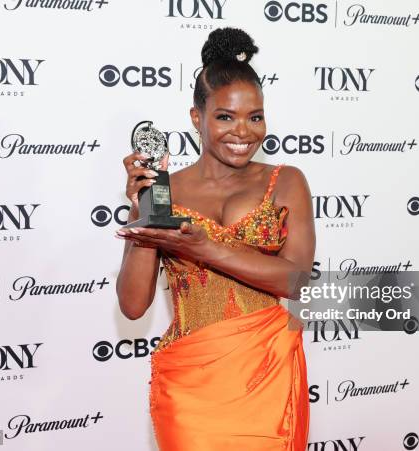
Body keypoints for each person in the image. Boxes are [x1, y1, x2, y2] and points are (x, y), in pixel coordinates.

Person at [116, 27, 316, 451]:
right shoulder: (165, 191)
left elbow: (296, 281)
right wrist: (141, 214)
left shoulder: (286, 181)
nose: (243, 132)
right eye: (225, 116)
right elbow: (133, 307)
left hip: (268, 373)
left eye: (255, 116)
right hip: (191, 385)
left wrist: (206, 248)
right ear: (197, 118)